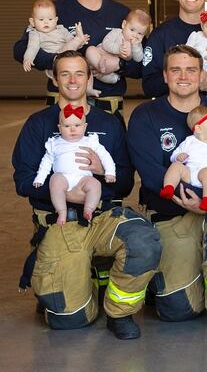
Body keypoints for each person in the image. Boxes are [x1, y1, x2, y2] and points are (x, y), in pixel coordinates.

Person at [12, 50, 160, 340]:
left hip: (102, 218)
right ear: (54, 79)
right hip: (61, 224)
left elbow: (126, 182)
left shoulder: (109, 123)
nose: (72, 80)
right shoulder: (38, 124)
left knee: (144, 239)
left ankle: (118, 312)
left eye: (79, 73)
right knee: (68, 320)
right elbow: (23, 181)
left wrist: (102, 172)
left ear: (90, 79)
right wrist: (67, 193)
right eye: (65, 74)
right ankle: (67, 281)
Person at [128, 45, 207, 335]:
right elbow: (150, 172)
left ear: (201, 75)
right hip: (172, 211)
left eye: (191, 70)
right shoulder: (146, 115)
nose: (183, 76)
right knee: (177, 310)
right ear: (165, 76)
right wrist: (189, 198)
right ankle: (173, 279)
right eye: (176, 70)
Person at [13, 0, 141, 121]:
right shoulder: (53, 11)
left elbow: (143, 64)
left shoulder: (122, 15)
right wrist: (56, 60)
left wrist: (120, 64)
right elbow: (20, 49)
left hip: (108, 110)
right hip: (62, 110)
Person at [34, 103, 117, 225]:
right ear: (59, 128)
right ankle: (62, 211)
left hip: (83, 178)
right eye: (67, 126)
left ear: (85, 126)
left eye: (77, 125)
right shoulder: (55, 143)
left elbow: (105, 156)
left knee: (95, 185)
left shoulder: (90, 141)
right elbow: (46, 162)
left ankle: (89, 209)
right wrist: (40, 178)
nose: (72, 129)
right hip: (63, 177)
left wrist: (109, 172)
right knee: (55, 181)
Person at [160, 105, 207, 211]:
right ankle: (168, 188)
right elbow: (174, 155)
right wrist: (178, 157)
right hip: (190, 174)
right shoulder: (189, 141)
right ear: (198, 128)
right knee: (176, 166)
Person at [22, 0, 89, 78]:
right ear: (32, 22)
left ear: (56, 20)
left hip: (70, 59)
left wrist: (80, 43)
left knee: (84, 69)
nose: (46, 22)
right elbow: (32, 47)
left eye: (50, 19)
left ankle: (79, 39)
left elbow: (71, 42)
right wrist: (28, 59)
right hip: (54, 63)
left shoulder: (61, 29)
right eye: (41, 19)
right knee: (73, 45)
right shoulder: (35, 34)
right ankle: (79, 39)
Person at [86, 9, 150, 87]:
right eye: (132, 30)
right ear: (124, 25)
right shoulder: (117, 32)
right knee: (90, 50)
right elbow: (105, 43)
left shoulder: (136, 44)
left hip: (112, 64)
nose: (135, 35)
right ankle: (98, 65)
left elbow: (138, 59)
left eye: (140, 33)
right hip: (101, 54)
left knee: (112, 78)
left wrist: (136, 46)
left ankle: (102, 74)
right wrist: (118, 49)